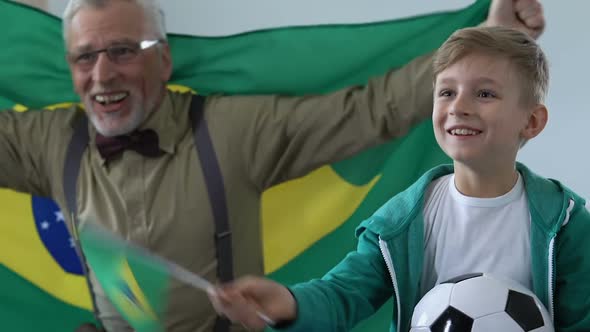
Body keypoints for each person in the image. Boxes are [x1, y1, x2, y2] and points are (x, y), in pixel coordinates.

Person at [0, 0, 544, 331]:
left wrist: (486, 45)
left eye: (122, 51)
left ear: (162, 58)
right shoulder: (50, 140)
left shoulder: (231, 130)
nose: (102, 75)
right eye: (84, 57)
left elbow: (369, 111)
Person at [209, 26, 590, 332]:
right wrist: (289, 304)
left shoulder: (568, 225)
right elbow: (343, 295)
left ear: (532, 121)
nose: (459, 106)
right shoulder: (400, 222)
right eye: (446, 92)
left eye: (485, 93)